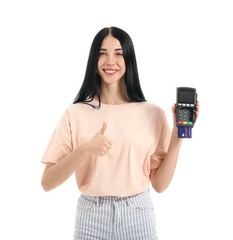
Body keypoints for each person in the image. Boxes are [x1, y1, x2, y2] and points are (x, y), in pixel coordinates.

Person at [40, 26, 200, 240]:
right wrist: (85, 149)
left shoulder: (153, 113)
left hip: (138, 214)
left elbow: (159, 185)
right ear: (93, 60)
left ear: (129, 60)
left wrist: (177, 139)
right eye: (102, 54)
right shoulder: (74, 113)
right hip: (91, 217)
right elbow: (47, 182)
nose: (110, 61)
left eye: (118, 54)